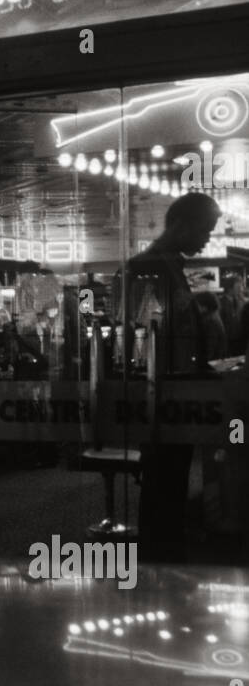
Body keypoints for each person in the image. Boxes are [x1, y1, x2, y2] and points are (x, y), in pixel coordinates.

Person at [124, 192, 221, 560]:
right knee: (164, 480)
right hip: (160, 394)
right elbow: (142, 335)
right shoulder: (148, 268)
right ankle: (158, 555)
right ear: (181, 223)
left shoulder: (170, 267)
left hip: (176, 392)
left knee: (173, 478)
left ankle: (164, 548)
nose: (207, 238)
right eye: (205, 229)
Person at [194, 291, 228, 362]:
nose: (196, 308)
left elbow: (210, 346)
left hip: (213, 362)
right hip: (216, 360)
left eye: (197, 305)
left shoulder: (210, 321)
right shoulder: (214, 315)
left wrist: (203, 362)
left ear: (205, 306)